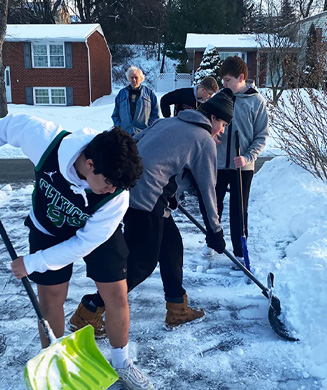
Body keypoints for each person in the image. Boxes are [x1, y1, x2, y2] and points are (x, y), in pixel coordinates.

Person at [0, 114, 154, 390]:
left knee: (116, 294)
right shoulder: (46, 141)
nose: (112, 190)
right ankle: (53, 362)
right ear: (90, 164)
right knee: (50, 297)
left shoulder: (115, 197)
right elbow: (9, 126)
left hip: (95, 234)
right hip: (47, 227)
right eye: (109, 183)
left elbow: (81, 245)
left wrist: (33, 262)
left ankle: (122, 362)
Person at [68, 88, 234, 337]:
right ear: (212, 117)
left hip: (128, 192)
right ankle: (89, 310)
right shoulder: (203, 140)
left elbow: (134, 143)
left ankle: (177, 308)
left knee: (172, 246)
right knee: (141, 265)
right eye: (222, 123)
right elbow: (208, 190)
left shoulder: (169, 121)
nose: (222, 130)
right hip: (146, 202)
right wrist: (215, 231)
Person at [202, 57, 269, 263]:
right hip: (218, 163)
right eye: (222, 80)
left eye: (228, 80)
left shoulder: (257, 102)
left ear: (241, 78)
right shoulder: (220, 97)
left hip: (243, 166)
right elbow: (203, 121)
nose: (224, 84)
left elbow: (262, 135)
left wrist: (248, 156)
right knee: (214, 206)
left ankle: (240, 251)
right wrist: (211, 136)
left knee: (239, 209)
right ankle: (212, 241)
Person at [112, 66, 160, 136]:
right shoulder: (121, 94)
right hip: (125, 134)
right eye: (131, 77)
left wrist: (149, 127)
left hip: (143, 134)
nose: (134, 80)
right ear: (128, 78)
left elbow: (156, 114)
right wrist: (119, 127)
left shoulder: (149, 94)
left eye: (136, 77)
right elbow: (115, 115)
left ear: (141, 79)